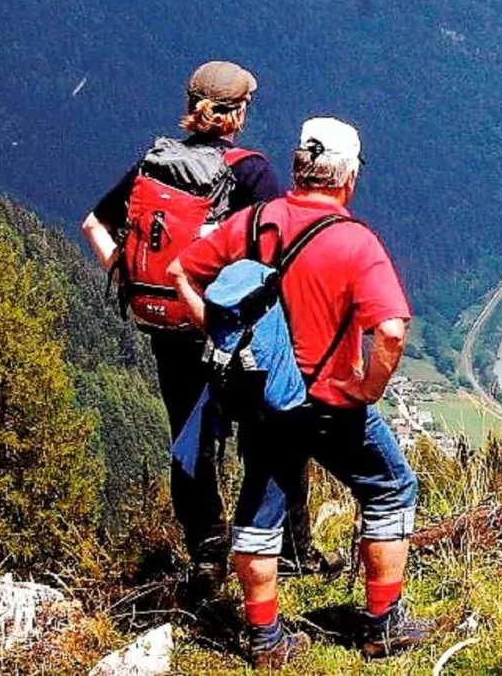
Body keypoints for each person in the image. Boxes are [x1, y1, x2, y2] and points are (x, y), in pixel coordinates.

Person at [169, 117, 432, 667]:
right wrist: (366, 386)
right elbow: (390, 329)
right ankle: (384, 624)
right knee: (390, 490)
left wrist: (218, 337)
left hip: (265, 400)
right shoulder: (354, 243)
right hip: (333, 403)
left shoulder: (254, 221)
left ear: (298, 167)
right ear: (348, 179)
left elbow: (180, 271)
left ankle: (265, 639)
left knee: (257, 516)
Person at [80, 61, 334, 598]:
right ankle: (289, 547)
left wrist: (135, 287)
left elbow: (93, 225)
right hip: (232, 333)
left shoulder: (155, 164)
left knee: (192, 443)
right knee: (270, 433)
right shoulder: (250, 172)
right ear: (238, 112)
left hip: (170, 332)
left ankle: (207, 556)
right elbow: (277, 255)